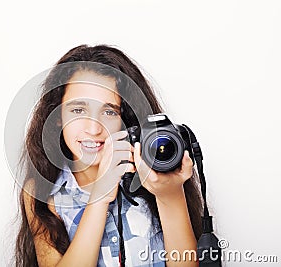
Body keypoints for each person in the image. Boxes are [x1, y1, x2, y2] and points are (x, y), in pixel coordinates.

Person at [14, 44, 203, 267]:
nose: (94, 129)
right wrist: (100, 195)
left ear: (126, 119)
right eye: (78, 110)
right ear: (56, 116)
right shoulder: (42, 192)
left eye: (109, 111)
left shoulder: (154, 171)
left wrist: (170, 195)